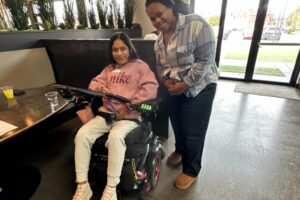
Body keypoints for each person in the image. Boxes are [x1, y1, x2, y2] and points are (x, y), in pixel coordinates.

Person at [72, 32, 159, 200]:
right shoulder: (109, 69)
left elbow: (150, 89)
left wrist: (129, 106)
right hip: (107, 114)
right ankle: (83, 186)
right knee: (82, 135)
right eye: (115, 50)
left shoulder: (140, 67)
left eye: (123, 49)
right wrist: (101, 88)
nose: (119, 53)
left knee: (115, 136)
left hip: (130, 116)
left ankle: (110, 190)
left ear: (129, 48)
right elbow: (94, 83)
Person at [145, 0, 219, 190]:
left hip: (200, 87)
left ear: (170, 7)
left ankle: (191, 169)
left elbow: (206, 60)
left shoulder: (196, 24)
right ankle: (180, 150)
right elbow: (160, 67)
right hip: (173, 87)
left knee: (193, 131)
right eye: (152, 18)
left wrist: (184, 83)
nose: (156, 20)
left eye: (160, 13)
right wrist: (165, 80)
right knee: (177, 124)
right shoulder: (158, 41)